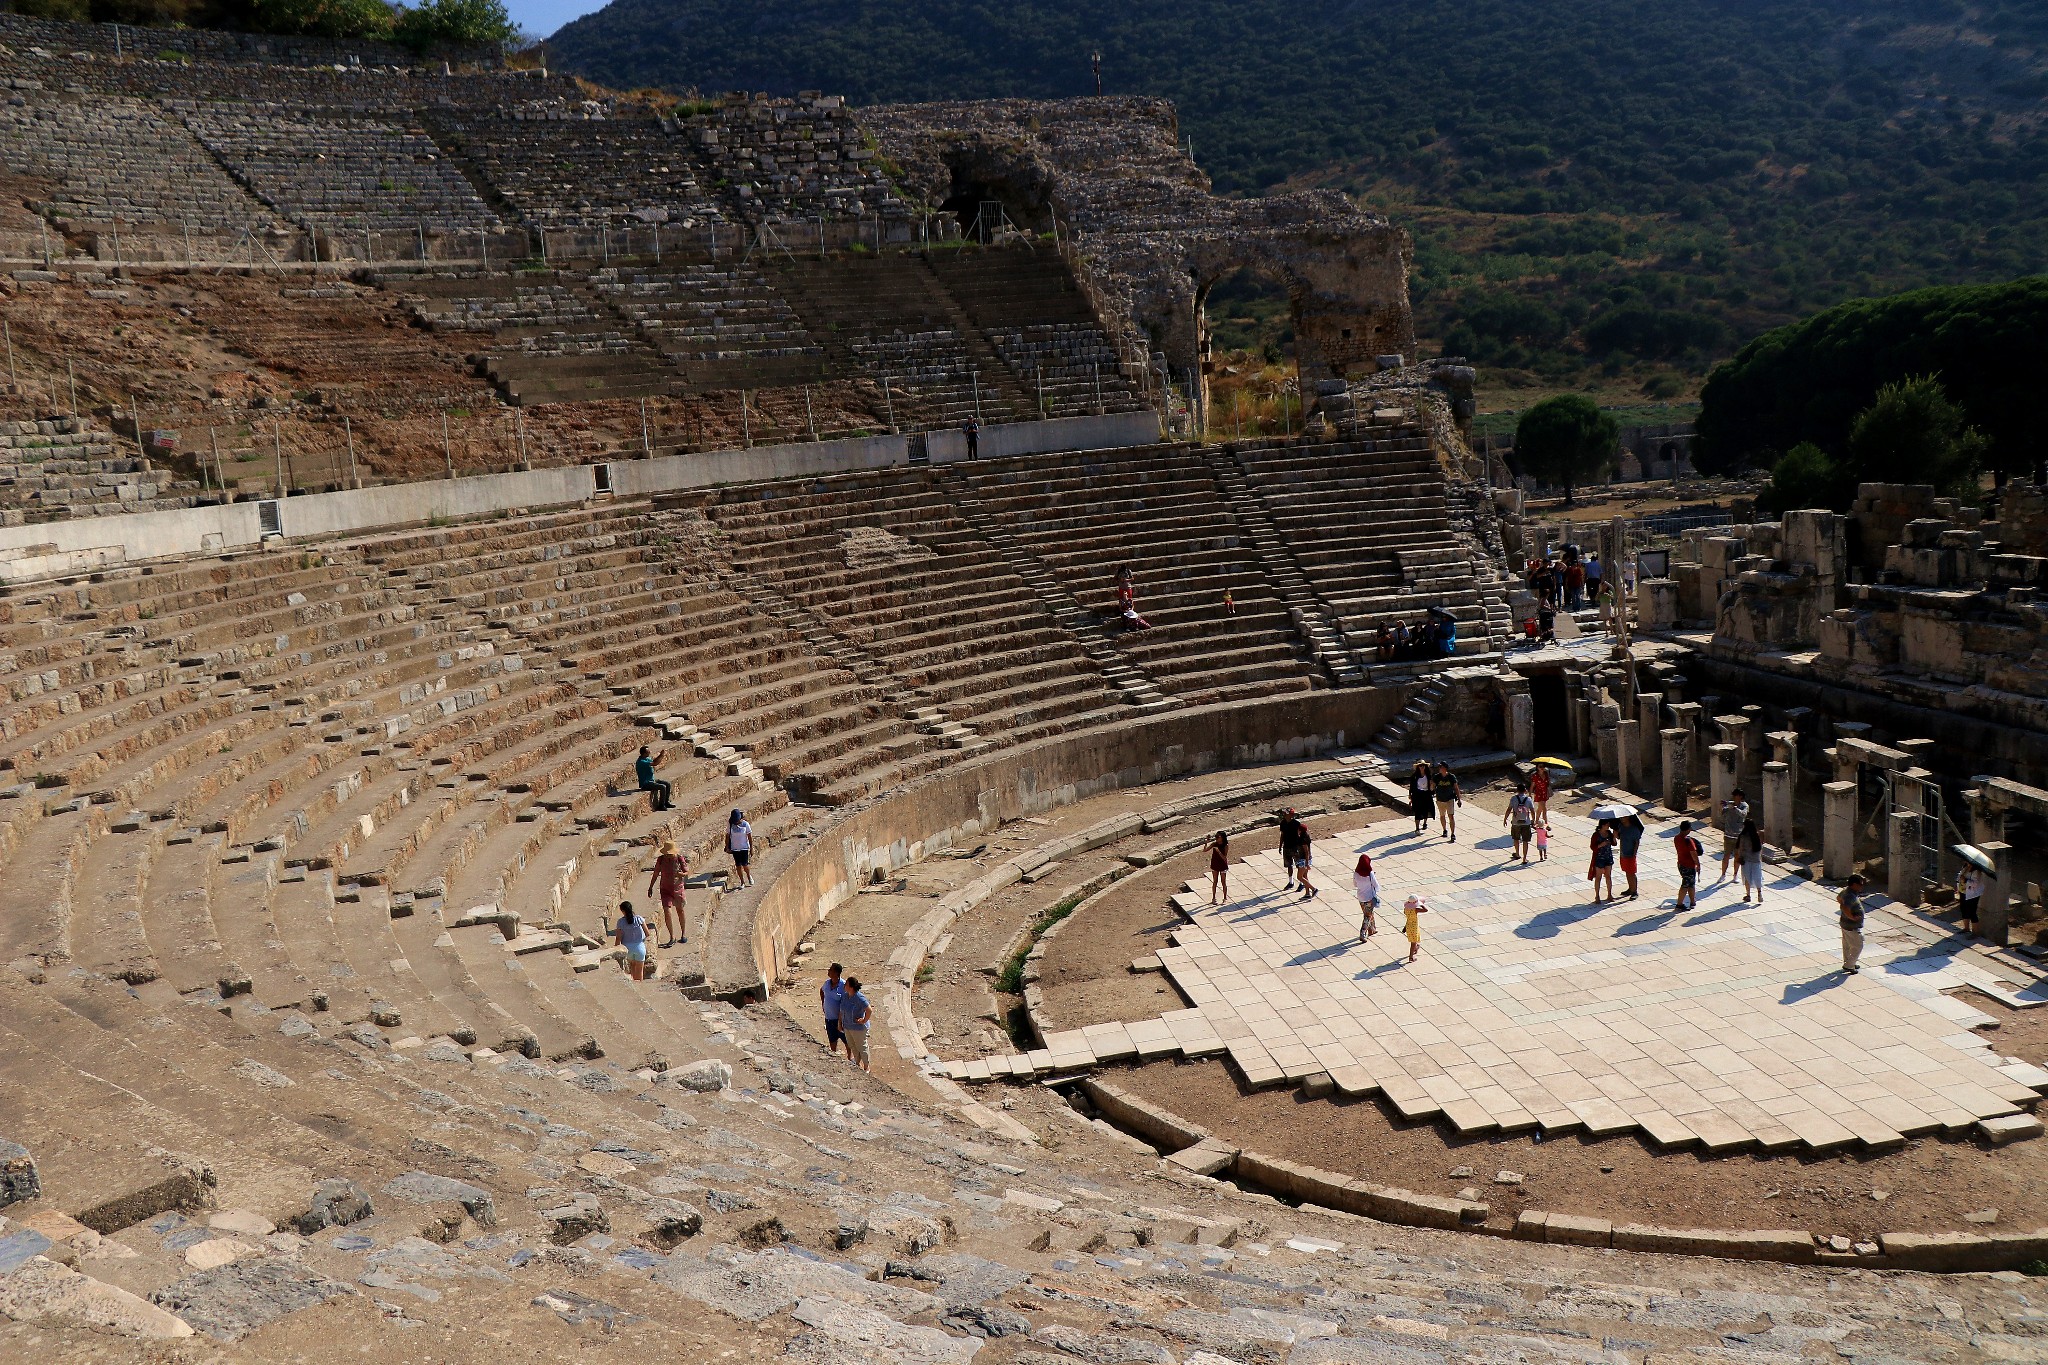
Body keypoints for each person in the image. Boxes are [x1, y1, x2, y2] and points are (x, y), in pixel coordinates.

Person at [647, 839, 688, 946]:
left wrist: (681, 874)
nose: (668, 856)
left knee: (680, 910)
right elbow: (655, 874)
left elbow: (687, 871)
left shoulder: (679, 858)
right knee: (667, 911)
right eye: (667, 854)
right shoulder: (660, 860)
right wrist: (650, 887)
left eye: (670, 854)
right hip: (665, 889)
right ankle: (672, 936)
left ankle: (683, 934)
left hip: (677, 888)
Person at [838, 974, 873, 1070]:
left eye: (846, 985)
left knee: (862, 1046)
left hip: (858, 1028)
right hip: (847, 1026)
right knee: (852, 1045)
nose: (844, 986)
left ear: (851, 987)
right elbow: (841, 1011)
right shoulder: (845, 996)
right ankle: (857, 1062)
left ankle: (866, 1066)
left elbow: (869, 1010)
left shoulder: (859, 998)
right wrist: (840, 1023)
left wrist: (864, 1020)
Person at [1718, 788, 1750, 882]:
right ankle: (1723, 874)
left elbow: (1743, 814)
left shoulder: (1744, 806)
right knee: (1726, 856)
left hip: (1739, 836)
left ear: (1740, 796)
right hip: (1728, 835)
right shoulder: (1730, 804)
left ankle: (1735, 875)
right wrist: (1723, 806)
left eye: (1735, 795)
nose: (1734, 797)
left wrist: (1735, 808)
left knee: (1737, 856)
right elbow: (1723, 813)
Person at [613, 901, 649, 982]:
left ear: (623, 911)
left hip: (627, 948)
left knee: (632, 966)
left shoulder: (620, 922)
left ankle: (634, 984)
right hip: (640, 947)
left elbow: (618, 938)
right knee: (640, 971)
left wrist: (615, 949)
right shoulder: (639, 919)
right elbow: (647, 933)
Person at [1838, 874, 1866, 973]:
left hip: (1845, 924)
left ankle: (1849, 962)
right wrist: (1852, 917)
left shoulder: (1847, 891)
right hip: (1851, 926)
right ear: (1854, 884)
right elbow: (1844, 907)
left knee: (1847, 945)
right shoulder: (1850, 895)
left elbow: (1839, 898)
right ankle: (1849, 965)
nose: (1862, 886)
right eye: (1860, 884)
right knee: (1858, 945)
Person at [1674, 819, 1703, 910]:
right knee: (1686, 885)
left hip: (1681, 864)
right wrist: (1698, 864)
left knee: (1691, 883)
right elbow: (1694, 854)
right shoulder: (1688, 841)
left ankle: (1692, 901)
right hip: (1689, 865)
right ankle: (1679, 904)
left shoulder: (1676, 838)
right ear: (1688, 829)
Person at [1504, 783, 1536, 863]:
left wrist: (1505, 819)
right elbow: (1532, 811)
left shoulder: (1513, 799)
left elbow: (1509, 809)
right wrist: (1533, 820)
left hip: (1515, 822)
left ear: (1517, 790)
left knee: (1516, 838)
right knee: (1525, 840)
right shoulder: (1528, 799)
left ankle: (1517, 854)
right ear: (1525, 790)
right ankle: (1525, 858)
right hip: (1526, 822)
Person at [821, 962, 847, 1056]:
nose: (828, 971)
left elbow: (846, 1002)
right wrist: (823, 1003)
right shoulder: (827, 983)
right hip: (829, 1019)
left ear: (836, 973)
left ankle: (850, 1059)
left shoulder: (843, 985)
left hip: (840, 1020)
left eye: (831, 970)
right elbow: (822, 990)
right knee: (832, 1040)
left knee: (847, 1041)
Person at [1737, 817, 1766, 903]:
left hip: (1746, 859)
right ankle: (1759, 894)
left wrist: (1739, 857)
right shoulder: (1757, 835)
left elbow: (1741, 848)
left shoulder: (1743, 836)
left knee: (1747, 877)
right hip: (1756, 859)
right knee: (1758, 876)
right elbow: (1761, 847)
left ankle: (1748, 895)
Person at [727, 808, 757, 888]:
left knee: (745, 864)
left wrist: (751, 849)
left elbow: (750, 837)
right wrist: (727, 847)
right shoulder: (730, 825)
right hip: (735, 848)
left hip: (744, 847)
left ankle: (748, 875)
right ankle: (742, 882)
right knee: (738, 866)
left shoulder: (745, 824)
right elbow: (727, 836)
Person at [635, 744, 671, 811]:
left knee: (667, 784)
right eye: (648, 752)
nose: (650, 752)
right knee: (663, 787)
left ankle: (666, 802)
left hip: (651, 780)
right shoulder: (641, 762)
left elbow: (654, 760)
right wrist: (662, 755)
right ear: (644, 753)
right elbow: (655, 763)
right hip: (646, 783)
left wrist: (660, 755)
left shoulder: (646, 758)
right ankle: (661, 805)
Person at [1617, 813, 1645, 899]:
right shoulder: (1621, 827)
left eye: (1623, 816)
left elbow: (1637, 842)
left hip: (1630, 854)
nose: (1622, 818)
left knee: (1632, 873)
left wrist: (1634, 854)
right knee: (1627, 871)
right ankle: (1630, 889)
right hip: (1623, 853)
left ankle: (1635, 891)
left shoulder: (1634, 829)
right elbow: (1619, 837)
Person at [1432, 760, 1461, 842]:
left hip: (1449, 799)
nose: (1439, 768)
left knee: (1451, 816)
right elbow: (1432, 787)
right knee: (1442, 815)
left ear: (1444, 768)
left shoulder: (1451, 777)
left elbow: (1456, 788)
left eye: (1440, 767)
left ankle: (1452, 834)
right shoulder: (1436, 777)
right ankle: (1444, 830)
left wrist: (1459, 799)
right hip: (1440, 799)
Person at [1588, 820, 1617, 904]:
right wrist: (1601, 844)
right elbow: (1592, 847)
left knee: (1608, 876)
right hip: (1599, 858)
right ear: (1602, 825)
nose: (1608, 826)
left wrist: (1614, 836)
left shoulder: (1609, 833)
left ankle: (1609, 894)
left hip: (1608, 857)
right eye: (1607, 824)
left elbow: (1614, 844)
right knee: (1598, 877)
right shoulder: (1596, 835)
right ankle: (1597, 896)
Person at [1353, 853, 1379, 941]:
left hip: (1360, 897)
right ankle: (1363, 932)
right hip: (1369, 897)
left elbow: (1355, 884)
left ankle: (1372, 929)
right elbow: (1375, 884)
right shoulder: (1370, 873)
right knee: (1367, 915)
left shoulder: (1356, 873)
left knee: (1369, 912)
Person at [1277, 808, 1305, 890]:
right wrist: (1280, 846)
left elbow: (1300, 835)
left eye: (1287, 814)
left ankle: (1301, 883)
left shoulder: (1296, 824)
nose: (1285, 815)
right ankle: (1291, 882)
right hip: (1286, 847)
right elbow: (1282, 835)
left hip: (1295, 847)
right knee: (1289, 865)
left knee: (1299, 865)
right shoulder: (1283, 823)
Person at [1956, 861, 1985, 937]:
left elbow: (1975, 883)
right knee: (1963, 909)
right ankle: (1966, 928)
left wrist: (1965, 880)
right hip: (1963, 891)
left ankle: (1975, 932)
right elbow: (1960, 875)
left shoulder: (1976, 871)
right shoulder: (1965, 866)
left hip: (1972, 894)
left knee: (1972, 912)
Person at [1408, 761, 1433, 835]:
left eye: (1423, 766)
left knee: (1426, 810)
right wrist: (1410, 795)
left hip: (1426, 794)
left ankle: (1425, 823)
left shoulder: (1428, 775)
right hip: (1417, 795)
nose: (1422, 767)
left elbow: (1431, 785)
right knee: (1417, 811)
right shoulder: (1414, 776)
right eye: (1420, 766)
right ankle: (1417, 828)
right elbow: (1411, 787)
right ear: (1418, 767)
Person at [1294, 820, 1316, 901]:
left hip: (1304, 860)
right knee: (1305, 876)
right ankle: (1307, 893)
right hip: (1305, 859)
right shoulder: (1305, 836)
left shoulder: (1303, 839)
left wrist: (1306, 864)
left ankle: (1313, 889)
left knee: (1299, 877)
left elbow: (1306, 852)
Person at [1402, 894, 1428, 963]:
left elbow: (1408, 918)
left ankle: (1416, 948)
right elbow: (1426, 910)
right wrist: (1421, 904)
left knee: (1415, 939)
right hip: (1413, 926)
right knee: (1413, 942)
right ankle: (1411, 957)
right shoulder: (1415, 910)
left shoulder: (1406, 909)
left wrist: (1405, 927)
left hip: (1408, 925)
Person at [1207, 830, 1230, 905]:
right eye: (1216, 836)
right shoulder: (1214, 844)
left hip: (1222, 864)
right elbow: (1205, 850)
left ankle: (1225, 898)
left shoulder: (1225, 845)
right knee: (1215, 881)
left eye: (1218, 837)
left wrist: (1219, 851)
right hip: (1215, 864)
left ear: (1222, 837)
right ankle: (1213, 898)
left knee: (1223, 882)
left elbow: (1224, 857)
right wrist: (1206, 842)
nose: (1216, 838)